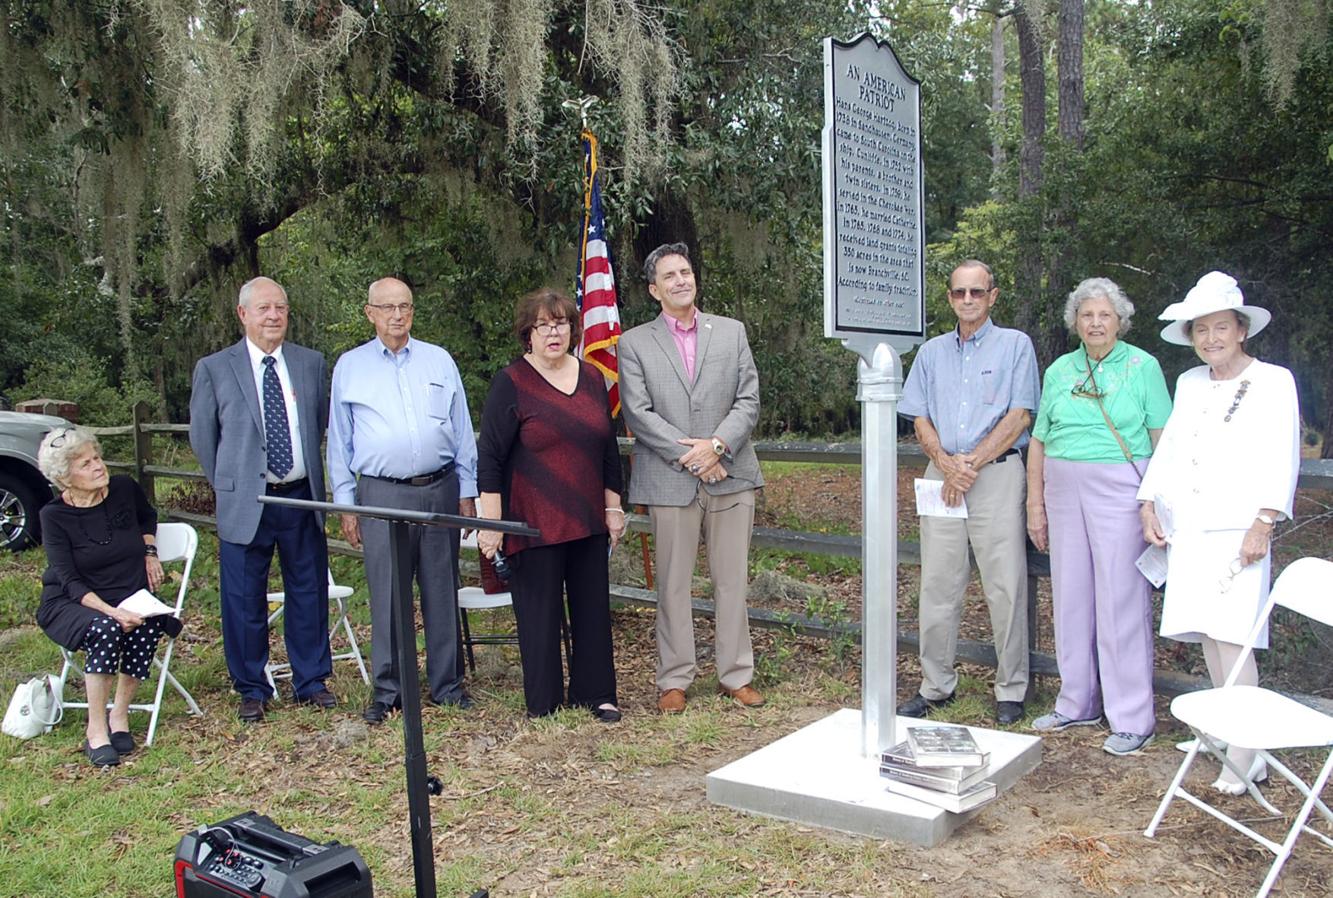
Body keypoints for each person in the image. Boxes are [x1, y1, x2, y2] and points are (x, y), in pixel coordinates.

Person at [1139, 271, 1300, 793]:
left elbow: (1284, 455)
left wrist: (1264, 522)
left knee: (1235, 636)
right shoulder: (1189, 382)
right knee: (1208, 633)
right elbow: (1170, 448)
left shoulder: (1274, 381)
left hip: (1238, 529)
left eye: (1221, 327)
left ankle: (1248, 754)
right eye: (1201, 330)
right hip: (1190, 525)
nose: (1211, 338)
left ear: (1241, 330)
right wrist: (1148, 502)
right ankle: (1227, 734)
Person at [1026, 278, 1173, 756]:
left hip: (1121, 487)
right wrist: (1035, 503)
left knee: (1120, 597)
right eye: (1086, 315)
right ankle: (1077, 701)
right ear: (1075, 322)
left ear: (1119, 321)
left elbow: (1162, 439)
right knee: (1070, 594)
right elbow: (1039, 440)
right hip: (1062, 486)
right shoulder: (1060, 370)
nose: (1095, 323)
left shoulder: (1143, 366)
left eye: (1104, 315)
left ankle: (1132, 716)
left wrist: (1154, 501)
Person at [619, 242, 765, 714]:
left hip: (732, 475)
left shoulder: (731, 332)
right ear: (653, 289)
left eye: (685, 272)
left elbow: (748, 400)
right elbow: (639, 414)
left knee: (732, 581)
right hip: (669, 480)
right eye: (670, 275)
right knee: (672, 584)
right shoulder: (634, 343)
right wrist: (696, 457)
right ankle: (675, 678)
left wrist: (717, 446)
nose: (681, 280)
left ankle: (735, 675)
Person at [328, 277, 479, 724]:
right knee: (388, 592)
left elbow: (462, 428)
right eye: (388, 307)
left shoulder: (438, 360)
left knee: (441, 588)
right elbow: (339, 440)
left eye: (405, 306)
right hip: (381, 493)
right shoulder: (350, 367)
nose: (397, 315)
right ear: (370, 313)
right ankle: (389, 690)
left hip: (439, 488)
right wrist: (346, 502)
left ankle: (447, 685)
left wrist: (467, 490)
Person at [897, 260, 1040, 725]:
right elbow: (919, 417)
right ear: (949, 298)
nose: (968, 300)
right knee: (938, 584)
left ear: (992, 296)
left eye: (976, 292)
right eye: (959, 292)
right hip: (943, 476)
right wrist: (944, 463)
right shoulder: (930, 353)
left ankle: (1011, 688)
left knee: (1005, 585)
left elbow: (1020, 415)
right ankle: (936, 685)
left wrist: (970, 464)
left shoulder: (1015, 345)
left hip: (994, 474)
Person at [475, 288, 627, 721]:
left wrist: (613, 508)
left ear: (572, 329)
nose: (553, 333)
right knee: (539, 617)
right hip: (532, 522)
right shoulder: (511, 382)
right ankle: (544, 704)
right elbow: (490, 459)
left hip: (587, 518)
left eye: (560, 324)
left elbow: (608, 449)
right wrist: (492, 525)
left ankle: (596, 695)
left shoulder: (592, 377)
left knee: (592, 611)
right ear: (528, 334)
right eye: (542, 326)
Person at [190, 276, 335, 723]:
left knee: (308, 592)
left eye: (280, 308)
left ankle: (310, 681)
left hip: (300, 498)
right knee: (243, 598)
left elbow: (318, 422)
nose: (273, 316)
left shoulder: (310, 364)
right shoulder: (215, 368)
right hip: (247, 499)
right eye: (264, 308)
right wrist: (230, 483)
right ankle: (252, 687)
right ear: (243, 314)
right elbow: (203, 437)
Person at [35, 428, 176, 766]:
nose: (98, 466)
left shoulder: (124, 488)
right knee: (106, 628)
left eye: (96, 457)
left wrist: (150, 552)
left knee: (147, 623)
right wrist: (112, 612)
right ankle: (96, 730)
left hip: (127, 594)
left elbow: (147, 516)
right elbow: (68, 581)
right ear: (65, 478)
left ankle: (119, 716)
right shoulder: (53, 516)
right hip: (73, 602)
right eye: (85, 464)